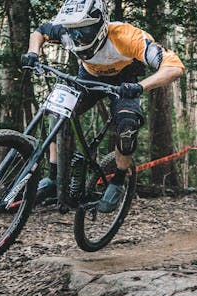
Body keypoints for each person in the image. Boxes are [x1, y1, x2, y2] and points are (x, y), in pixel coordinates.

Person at [21, 0, 184, 213]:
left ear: (100, 24)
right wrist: (33, 53)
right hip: (89, 77)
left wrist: (140, 87)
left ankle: (117, 180)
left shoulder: (127, 36)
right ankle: (53, 176)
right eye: (73, 31)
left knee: (127, 128)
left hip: (125, 82)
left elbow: (174, 67)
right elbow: (40, 32)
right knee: (56, 111)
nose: (77, 37)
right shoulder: (66, 30)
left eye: (84, 30)